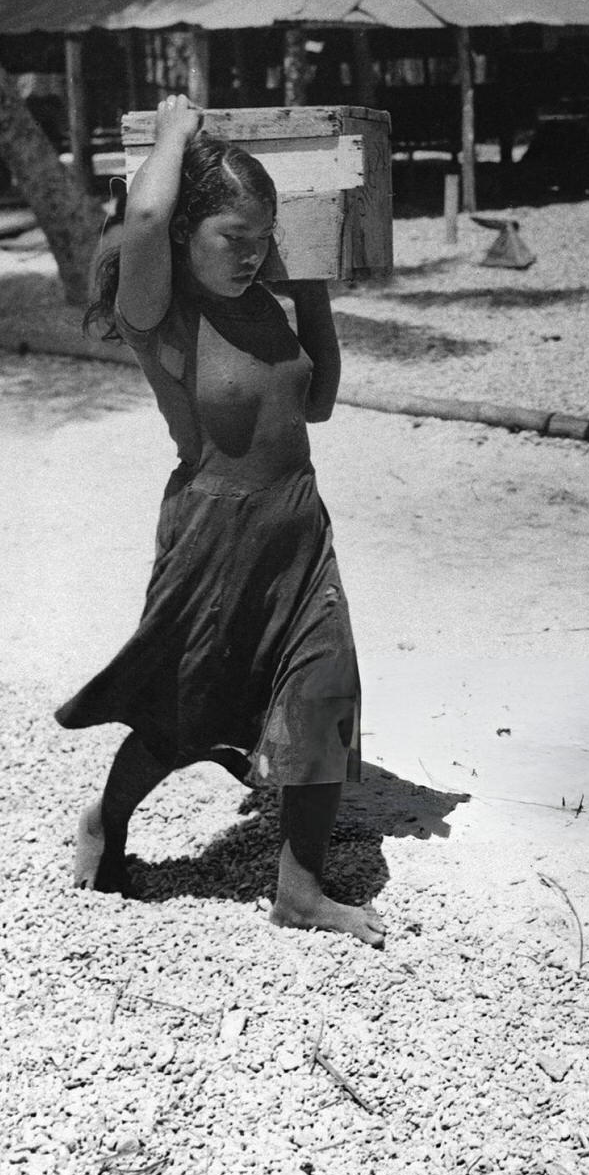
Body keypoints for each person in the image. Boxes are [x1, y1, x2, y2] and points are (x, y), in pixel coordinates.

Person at [60, 94, 384, 947]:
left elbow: (315, 402)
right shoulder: (157, 313)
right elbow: (151, 205)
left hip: (297, 526)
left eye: (261, 238)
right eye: (230, 239)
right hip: (212, 533)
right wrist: (173, 133)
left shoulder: (262, 302)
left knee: (323, 694)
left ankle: (300, 891)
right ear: (181, 238)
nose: (249, 256)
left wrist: (309, 279)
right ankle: (108, 821)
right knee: (183, 711)